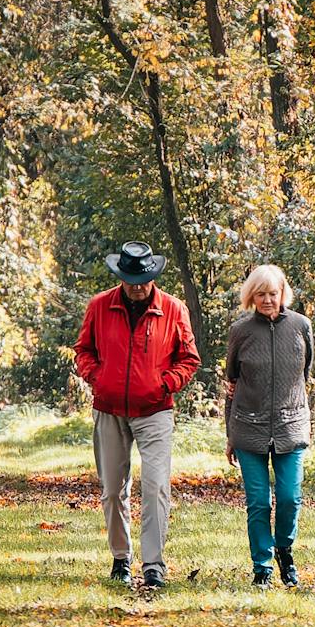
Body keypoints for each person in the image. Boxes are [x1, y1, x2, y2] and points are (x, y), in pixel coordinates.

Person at [73, 242, 201, 590]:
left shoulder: (173, 309)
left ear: (153, 276)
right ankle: (120, 558)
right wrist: (97, 377)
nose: (137, 286)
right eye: (130, 280)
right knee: (113, 490)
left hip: (155, 411)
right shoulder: (100, 306)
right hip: (109, 408)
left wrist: (166, 384)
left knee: (157, 485)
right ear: (120, 277)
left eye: (143, 280)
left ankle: (154, 565)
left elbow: (189, 358)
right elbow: (83, 350)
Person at [223, 264, 314, 588]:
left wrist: (300, 417)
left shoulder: (302, 326)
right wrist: (229, 433)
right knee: (259, 502)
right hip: (249, 428)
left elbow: (304, 375)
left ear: (282, 294)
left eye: (272, 294)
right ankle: (262, 566)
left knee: (290, 497)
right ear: (251, 296)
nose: (267, 300)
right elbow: (231, 382)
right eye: (260, 294)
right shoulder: (241, 331)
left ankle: (284, 552)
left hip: (291, 427)